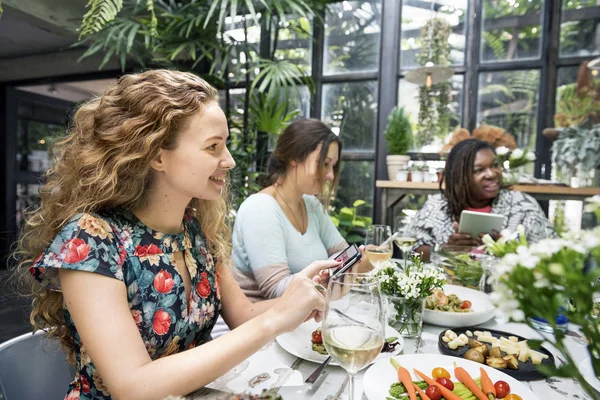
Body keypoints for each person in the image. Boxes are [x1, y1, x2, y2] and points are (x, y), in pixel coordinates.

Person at [14, 70, 340, 400]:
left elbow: (244, 316)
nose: (228, 160)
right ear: (157, 155)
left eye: (225, 145)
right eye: (213, 147)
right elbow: (133, 386)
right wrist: (276, 321)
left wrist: (295, 297)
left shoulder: (196, 230)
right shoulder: (90, 242)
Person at [231, 119, 371, 302]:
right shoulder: (260, 209)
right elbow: (277, 290)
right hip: (267, 324)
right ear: (294, 158)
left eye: (332, 166)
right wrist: (327, 277)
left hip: (303, 319)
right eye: (324, 163)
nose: (330, 175)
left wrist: (355, 260)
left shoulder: (311, 204)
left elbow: (342, 254)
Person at [405, 138, 556, 261]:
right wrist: (445, 250)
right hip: (450, 291)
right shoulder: (437, 205)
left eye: (495, 165)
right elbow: (411, 251)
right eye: (479, 170)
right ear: (459, 176)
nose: (491, 174)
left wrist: (506, 251)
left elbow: (552, 252)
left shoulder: (522, 205)